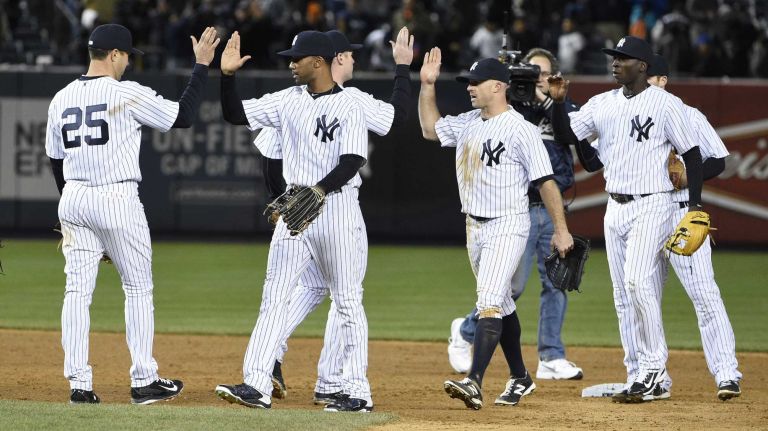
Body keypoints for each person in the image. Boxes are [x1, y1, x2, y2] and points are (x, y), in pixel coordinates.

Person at [44, 23, 220, 404]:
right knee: (138, 287)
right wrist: (202, 65)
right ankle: (144, 380)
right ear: (113, 55)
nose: (128, 63)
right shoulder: (125, 94)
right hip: (116, 197)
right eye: (126, 56)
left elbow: (55, 162)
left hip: (73, 197)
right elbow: (184, 116)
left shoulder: (61, 98)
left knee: (76, 292)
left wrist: (71, 209)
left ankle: (79, 385)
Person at [215, 30, 373, 412]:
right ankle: (256, 384)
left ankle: (358, 391)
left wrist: (318, 191)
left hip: (335, 207)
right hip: (294, 209)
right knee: (274, 295)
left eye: (296, 58)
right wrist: (227, 76)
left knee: (347, 299)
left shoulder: (350, 105)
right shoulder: (287, 100)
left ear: (318, 62)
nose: (290, 63)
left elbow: (353, 160)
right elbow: (236, 114)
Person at [256, 27, 414, 405]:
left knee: (317, 290)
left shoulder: (349, 100)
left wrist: (284, 201)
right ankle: (330, 380)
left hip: (317, 208)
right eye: (351, 53)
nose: (355, 59)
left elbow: (269, 158)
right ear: (336, 58)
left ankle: (286, 361)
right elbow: (399, 116)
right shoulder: (300, 100)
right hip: (318, 210)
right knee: (340, 295)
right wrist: (403, 70)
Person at [548, 36, 706, 403]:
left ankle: (655, 371)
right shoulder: (602, 103)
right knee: (622, 294)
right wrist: (557, 104)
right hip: (615, 207)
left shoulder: (666, 105)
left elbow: (693, 157)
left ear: (643, 66)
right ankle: (636, 373)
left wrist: (695, 206)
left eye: (623, 58)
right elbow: (566, 133)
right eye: (614, 57)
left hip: (654, 204)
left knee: (637, 282)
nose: (615, 63)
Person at [419, 51, 575, 410]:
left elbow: (546, 183)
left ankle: (474, 382)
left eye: (476, 83)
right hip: (474, 226)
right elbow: (430, 128)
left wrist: (560, 229)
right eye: (468, 83)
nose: (470, 88)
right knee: (502, 304)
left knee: (489, 301)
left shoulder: (522, 129)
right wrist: (427, 85)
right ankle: (521, 377)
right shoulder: (468, 122)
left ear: (498, 86)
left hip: (508, 223)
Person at [646, 54, 742, 401]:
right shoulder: (629, 113)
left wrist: (688, 178)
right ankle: (650, 375)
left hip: (680, 210)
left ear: (662, 80)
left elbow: (716, 159)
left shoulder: (687, 114)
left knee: (704, 292)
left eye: (650, 79)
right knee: (643, 297)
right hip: (645, 213)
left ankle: (727, 373)